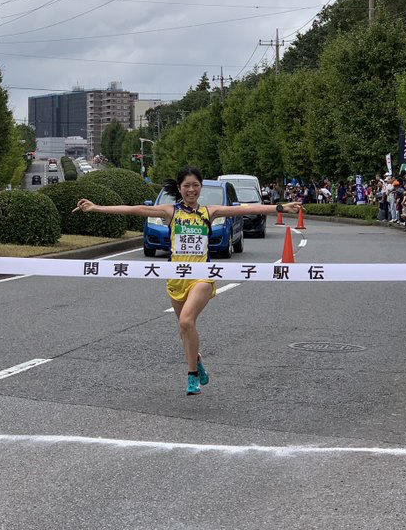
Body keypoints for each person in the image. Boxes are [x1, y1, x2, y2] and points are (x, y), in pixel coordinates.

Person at [74, 166, 300, 395]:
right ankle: (196, 360)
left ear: (201, 187)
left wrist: (281, 207)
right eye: (187, 186)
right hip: (176, 279)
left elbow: (247, 208)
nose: (191, 190)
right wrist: (96, 207)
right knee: (186, 329)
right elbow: (135, 209)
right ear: (180, 188)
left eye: (195, 185)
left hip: (202, 277)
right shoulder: (170, 212)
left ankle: (192, 376)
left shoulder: (209, 211)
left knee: (185, 321)